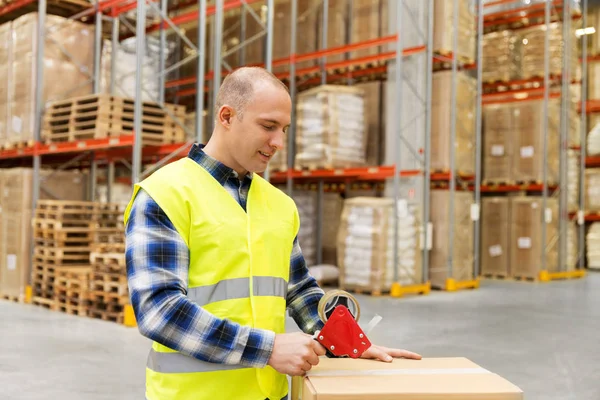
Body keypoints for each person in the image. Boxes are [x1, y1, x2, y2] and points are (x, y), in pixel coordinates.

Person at [124, 66, 421, 400]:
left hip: (270, 394)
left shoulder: (279, 204)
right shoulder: (165, 194)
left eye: (284, 129)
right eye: (268, 126)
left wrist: (350, 343)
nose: (278, 142)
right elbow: (159, 311)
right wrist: (268, 349)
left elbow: (298, 289)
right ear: (226, 116)